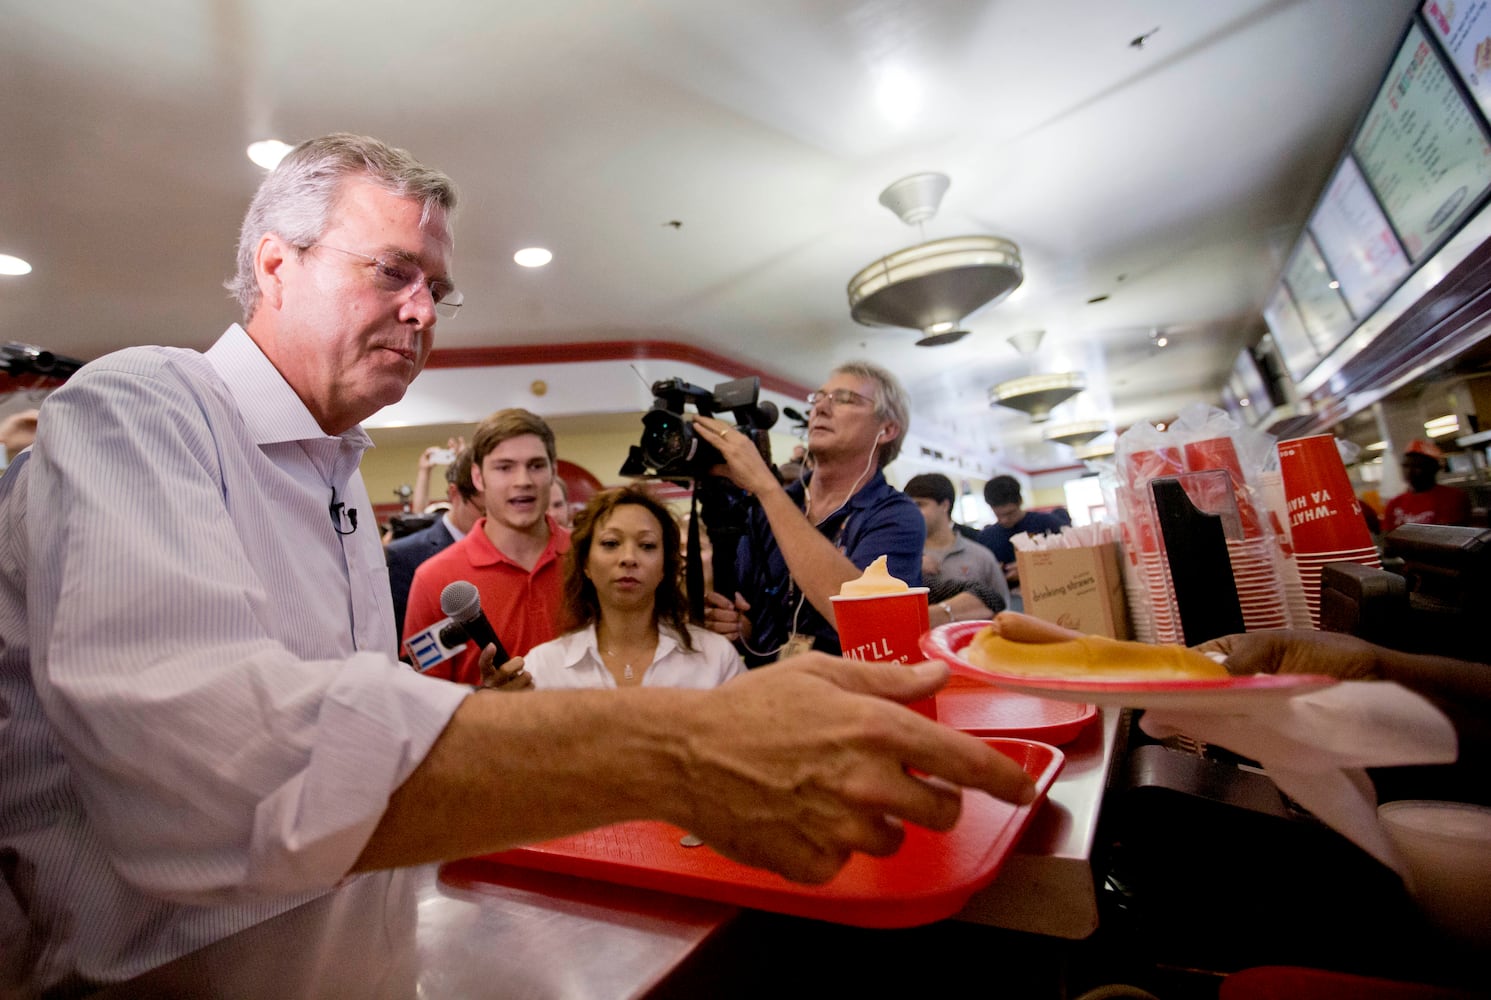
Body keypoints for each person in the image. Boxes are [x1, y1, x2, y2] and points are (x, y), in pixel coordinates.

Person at [0, 133, 1035, 994]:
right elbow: (205, 766)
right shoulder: (140, 408)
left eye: (437, 290)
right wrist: (682, 747)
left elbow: (344, 726)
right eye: (392, 272)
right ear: (276, 263)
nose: (422, 313)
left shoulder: (338, 481)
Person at [697, 361, 934, 666]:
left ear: (887, 429)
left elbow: (867, 624)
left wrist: (767, 487)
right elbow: (750, 613)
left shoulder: (896, 514)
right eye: (818, 398)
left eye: (845, 399)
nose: (821, 408)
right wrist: (737, 625)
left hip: (851, 702)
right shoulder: (770, 507)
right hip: (768, 694)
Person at [403, 408, 570, 686]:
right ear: (478, 478)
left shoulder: (592, 559)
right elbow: (422, 699)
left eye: (536, 465)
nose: (523, 481)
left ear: (553, 471)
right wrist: (485, 704)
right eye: (504, 467)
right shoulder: (435, 579)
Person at [521, 485, 745, 689]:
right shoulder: (544, 667)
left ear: (665, 566)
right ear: (585, 563)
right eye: (611, 544)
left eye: (647, 545)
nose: (628, 558)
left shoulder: (715, 658)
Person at [385, 444, 484, 638]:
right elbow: (402, 642)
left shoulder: (507, 549)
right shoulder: (404, 556)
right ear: (454, 494)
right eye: (483, 511)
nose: (490, 520)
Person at [903, 472, 1010, 617]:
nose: (912, 512)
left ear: (944, 505)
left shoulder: (980, 556)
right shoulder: (903, 559)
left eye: (920, 504)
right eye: (909, 505)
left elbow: (1003, 611)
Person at [976, 474, 1065, 592]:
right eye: (998, 514)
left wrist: (1032, 568)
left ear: (1020, 501)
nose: (1004, 520)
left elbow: (1069, 561)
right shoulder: (985, 538)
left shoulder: (1048, 524)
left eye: (1010, 513)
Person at [1384, 438, 1472, 531]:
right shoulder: (1395, 504)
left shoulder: (1453, 497)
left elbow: (1454, 534)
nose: (1409, 471)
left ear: (1433, 469)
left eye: (1417, 466)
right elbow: (1388, 536)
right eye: (1406, 466)